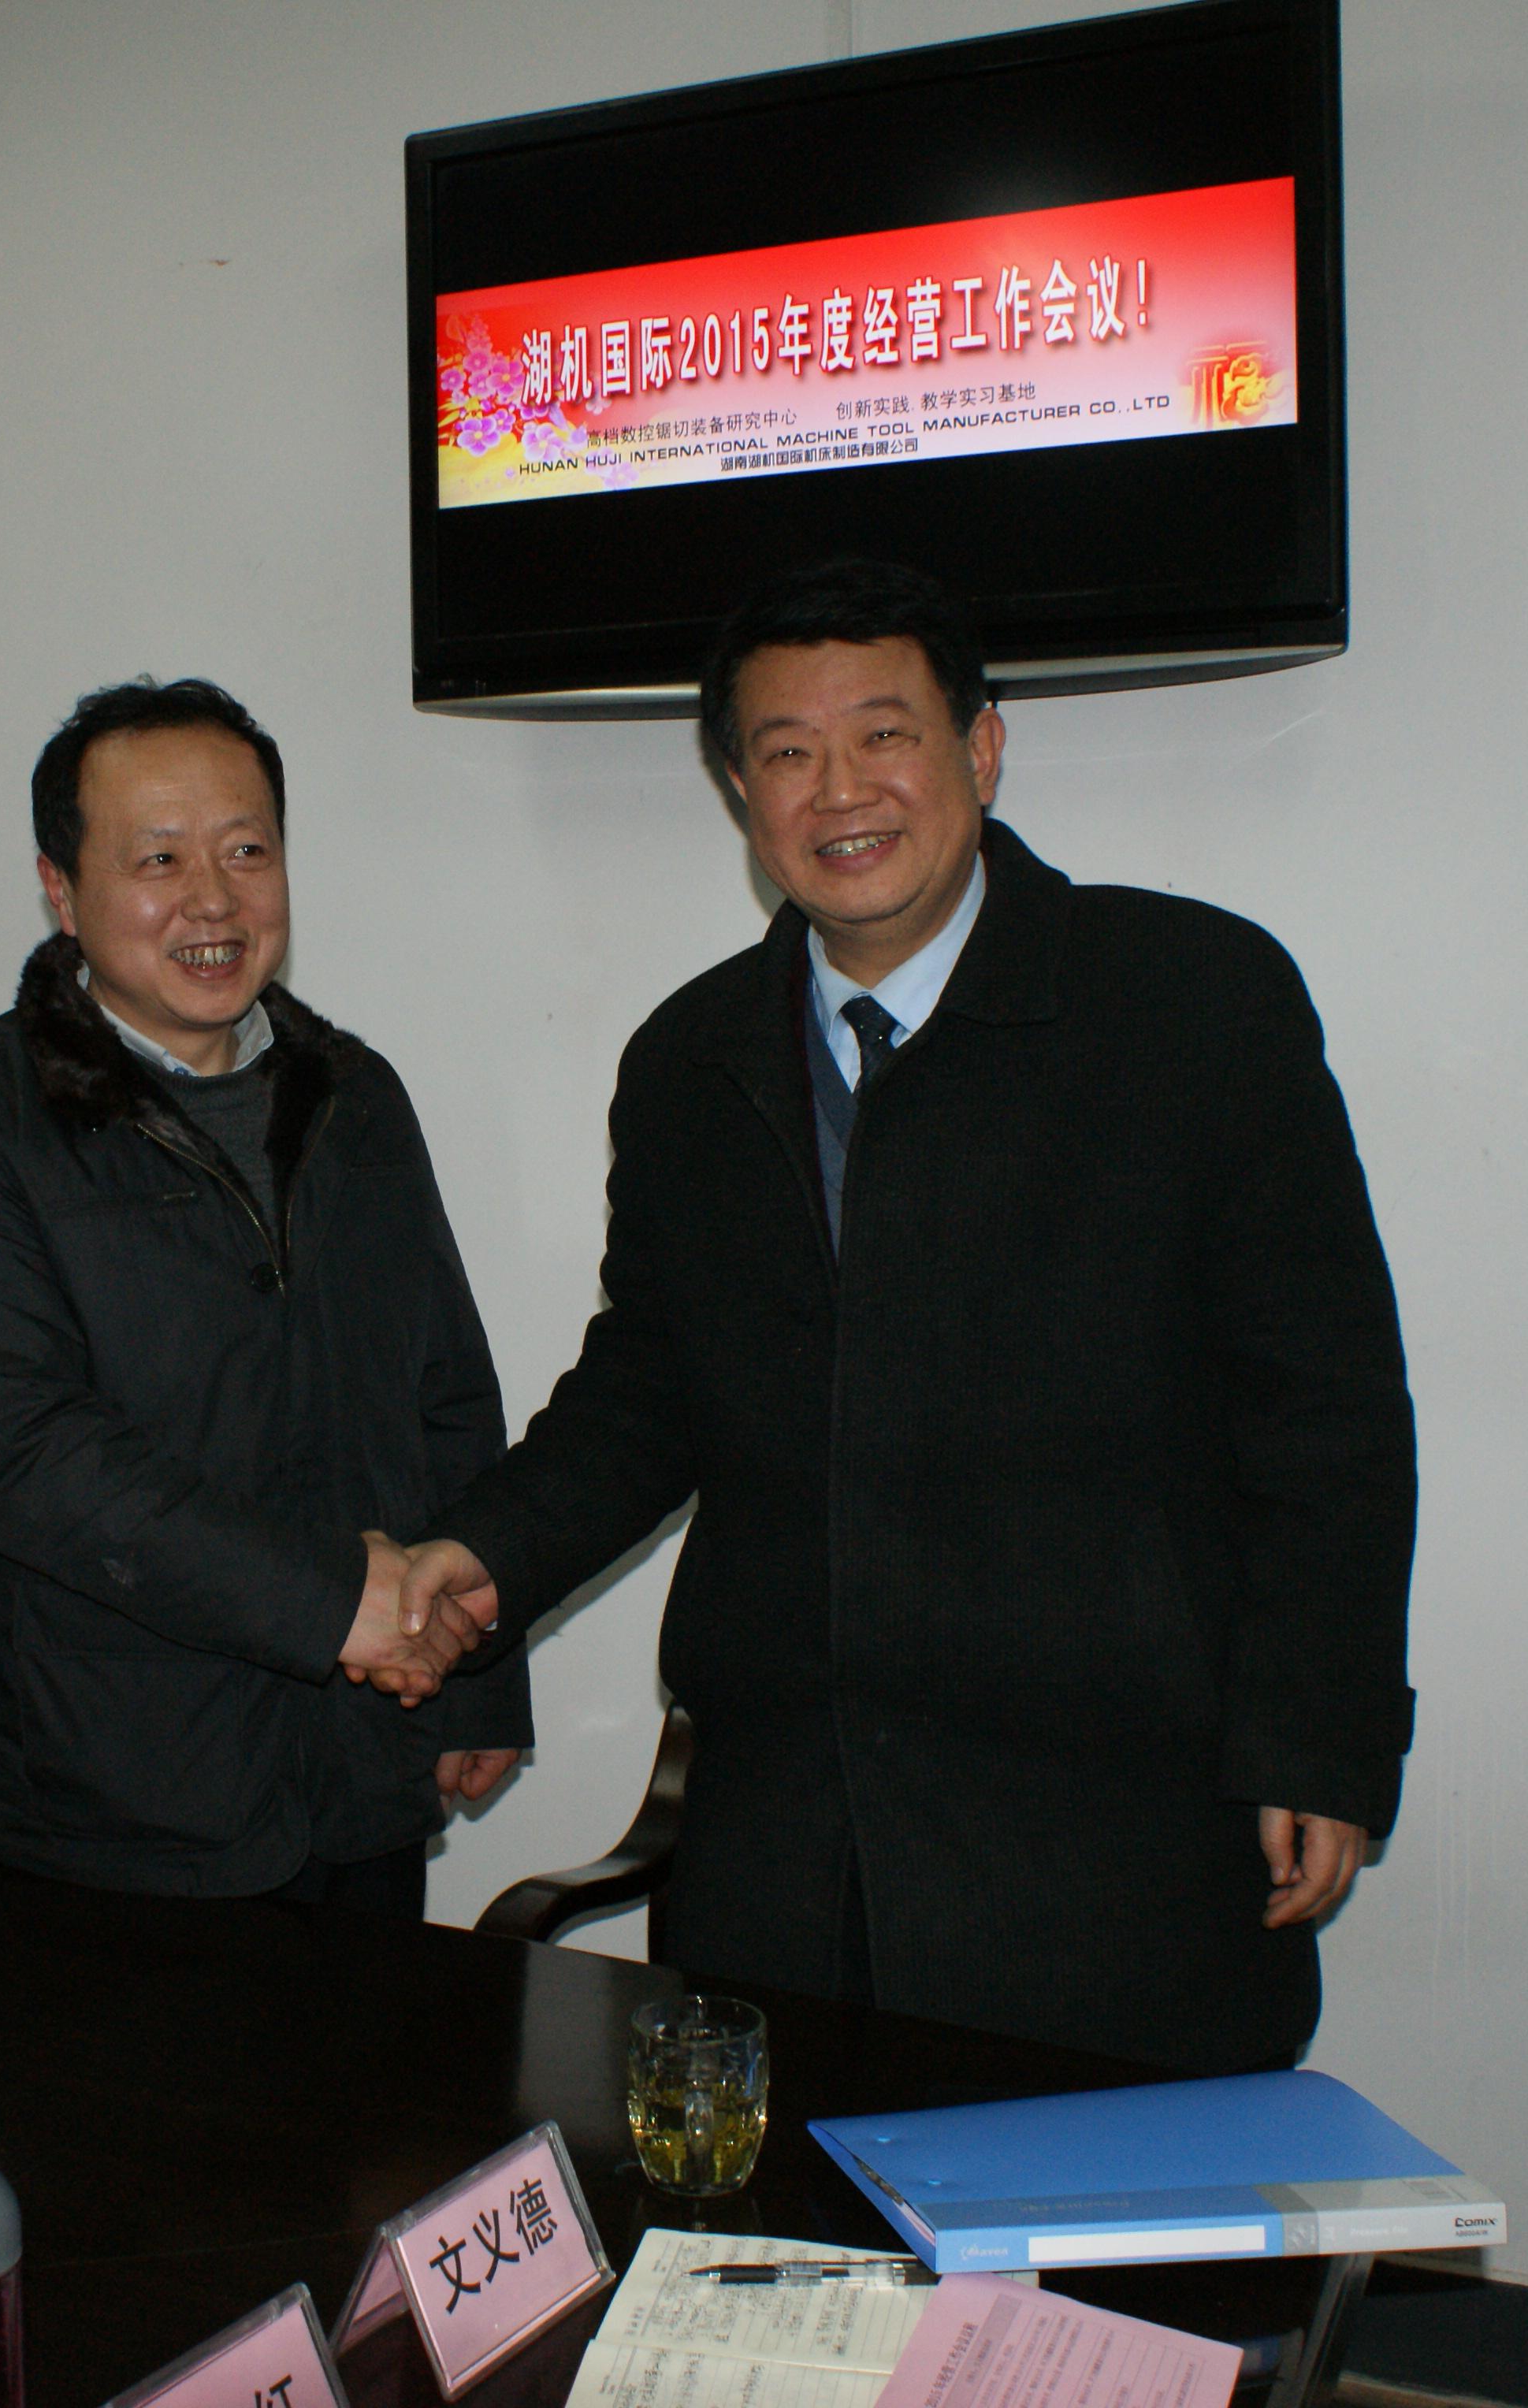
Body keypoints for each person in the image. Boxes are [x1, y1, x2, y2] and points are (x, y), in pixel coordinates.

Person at [403, 562, 1415, 2072]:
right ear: (740, 792)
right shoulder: (690, 1061)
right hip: (786, 1856)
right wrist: (477, 1559)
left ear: (981, 750)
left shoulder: (1191, 1002)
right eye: (788, 752)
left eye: (884, 735)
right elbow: (652, 1387)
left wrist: (1321, 1738)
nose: (841, 791)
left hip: (1120, 1841)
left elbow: (1325, 1407)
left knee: (1113, 2225)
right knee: (793, 2219)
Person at [0, 676, 520, 1916]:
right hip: (123, 1811)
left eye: (246, 851)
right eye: (158, 859)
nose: (214, 901)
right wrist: (332, 1602)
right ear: (62, 889)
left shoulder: (358, 1097)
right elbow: (25, 1452)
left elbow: (447, 1393)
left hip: (367, 1772)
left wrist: (483, 1679)